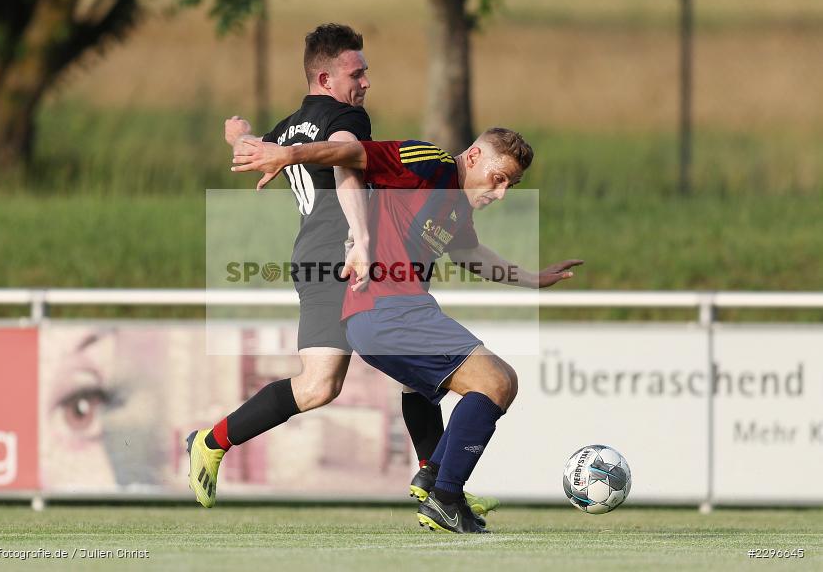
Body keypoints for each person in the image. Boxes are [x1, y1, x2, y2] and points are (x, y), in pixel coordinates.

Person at [187, 23, 498, 521]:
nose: (366, 82)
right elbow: (347, 165)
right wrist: (363, 239)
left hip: (320, 258)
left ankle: (435, 481)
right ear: (326, 78)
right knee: (320, 385)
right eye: (357, 73)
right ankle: (211, 441)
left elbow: (253, 148)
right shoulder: (346, 117)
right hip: (343, 261)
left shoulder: (292, 127)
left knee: (415, 366)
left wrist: (238, 134)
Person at [231, 129, 583, 533]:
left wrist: (532, 279)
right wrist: (288, 155)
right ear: (472, 157)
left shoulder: (457, 204)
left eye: (512, 185)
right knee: (495, 382)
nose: (501, 193)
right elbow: (350, 152)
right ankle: (444, 496)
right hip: (385, 309)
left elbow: (468, 253)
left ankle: (437, 482)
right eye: (498, 178)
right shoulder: (429, 163)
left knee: (497, 382)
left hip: (394, 314)